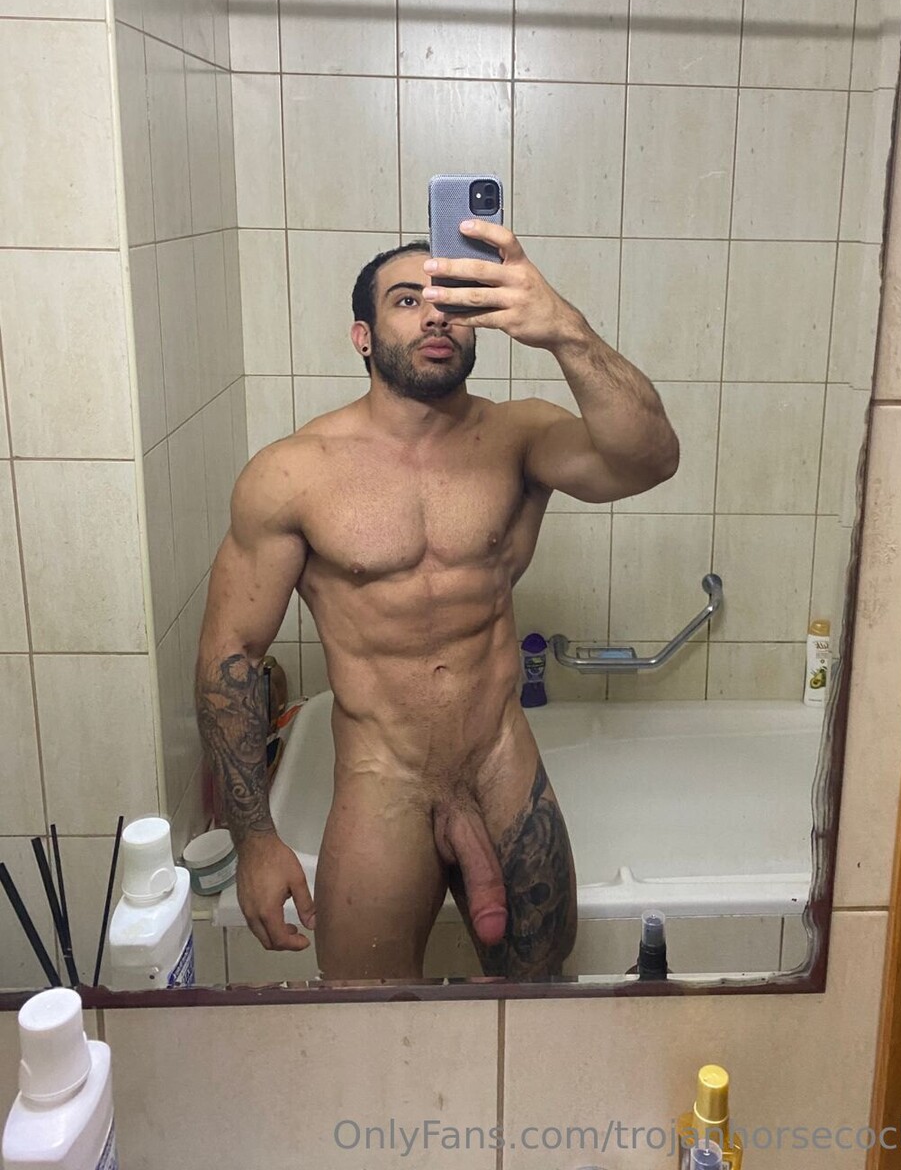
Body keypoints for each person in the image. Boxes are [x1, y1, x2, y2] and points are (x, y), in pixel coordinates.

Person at [195, 220, 679, 980]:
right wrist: (254, 838)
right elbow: (232, 654)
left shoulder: (520, 435)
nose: (435, 316)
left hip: (500, 758)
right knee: (365, 1007)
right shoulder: (292, 474)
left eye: (452, 299)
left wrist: (563, 327)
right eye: (406, 300)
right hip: (383, 777)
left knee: (539, 997)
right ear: (363, 336)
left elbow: (650, 459)